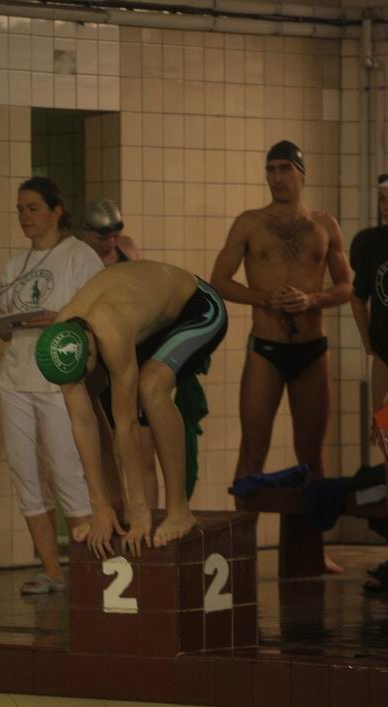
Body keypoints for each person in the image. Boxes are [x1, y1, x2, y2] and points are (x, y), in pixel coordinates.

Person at [211, 140, 353, 573]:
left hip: (312, 351)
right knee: (252, 451)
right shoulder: (250, 223)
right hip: (266, 350)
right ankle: (240, 554)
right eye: (270, 169)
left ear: (301, 174)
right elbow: (219, 280)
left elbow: (347, 285)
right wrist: (263, 297)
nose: (276, 177)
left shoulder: (324, 225)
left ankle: (314, 550)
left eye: (284, 168)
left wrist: (313, 300)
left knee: (312, 455)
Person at [34, 260, 228, 559]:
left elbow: (127, 426)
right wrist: (99, 505)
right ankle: (114, 506)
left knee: (151, 388)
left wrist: (141, 510)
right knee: (93, 394)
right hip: (149, 321)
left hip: (198, 306)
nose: (80, 381)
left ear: (89, 349)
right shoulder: (61, 342)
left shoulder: (111, 330)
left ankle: (179, 510)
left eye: (84, 372)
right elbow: (83, 423)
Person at [0, 176, 103, 594]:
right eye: (20, 210)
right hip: (15, 379)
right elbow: (3, 331)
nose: (25, 217)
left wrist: (59, 318)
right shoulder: (15, 265)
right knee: (25, 475)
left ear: (56, 211)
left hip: (59, 380)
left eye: (33, 208)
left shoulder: (79, 255)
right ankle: (52, 571)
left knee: (68, 474)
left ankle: (90, 574)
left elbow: (100, 313)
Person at [82, 198, 159, 510]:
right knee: (112, 452)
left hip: (133, 354)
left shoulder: (128, 248)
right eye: (103, 236)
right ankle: (121, 518)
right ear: (86, 232)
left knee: (143, 451)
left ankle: (150, 520)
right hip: (101, 362)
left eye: (115, 235)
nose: (110, 243)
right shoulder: (79, 257)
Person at [350, 173, 388, 419]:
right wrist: (367, 341)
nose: (386, 206)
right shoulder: (372, 243)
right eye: (383, 199)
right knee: (383, 428)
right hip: (384, 352)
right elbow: (357, 298)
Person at [82, 198, 140, 265]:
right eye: (102, 238)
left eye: (116, 236)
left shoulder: (128, 247)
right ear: (85, 232)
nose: (111, 244)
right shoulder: (77, 258)